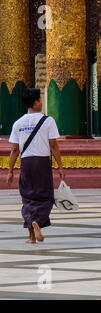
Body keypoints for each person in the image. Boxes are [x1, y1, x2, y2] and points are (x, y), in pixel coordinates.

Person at [7, 88, 65, 244]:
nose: (41, 102)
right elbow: (53, 146)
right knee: (45, 197)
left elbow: (14, 149)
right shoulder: (48, 121)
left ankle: (31, 236)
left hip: (26, 163)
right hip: (41, 163)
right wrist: (60, 166)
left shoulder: (18, 123)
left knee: (28, 197)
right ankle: (37, 221)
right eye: (40, 100)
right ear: (35, 102)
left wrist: (10, 170)